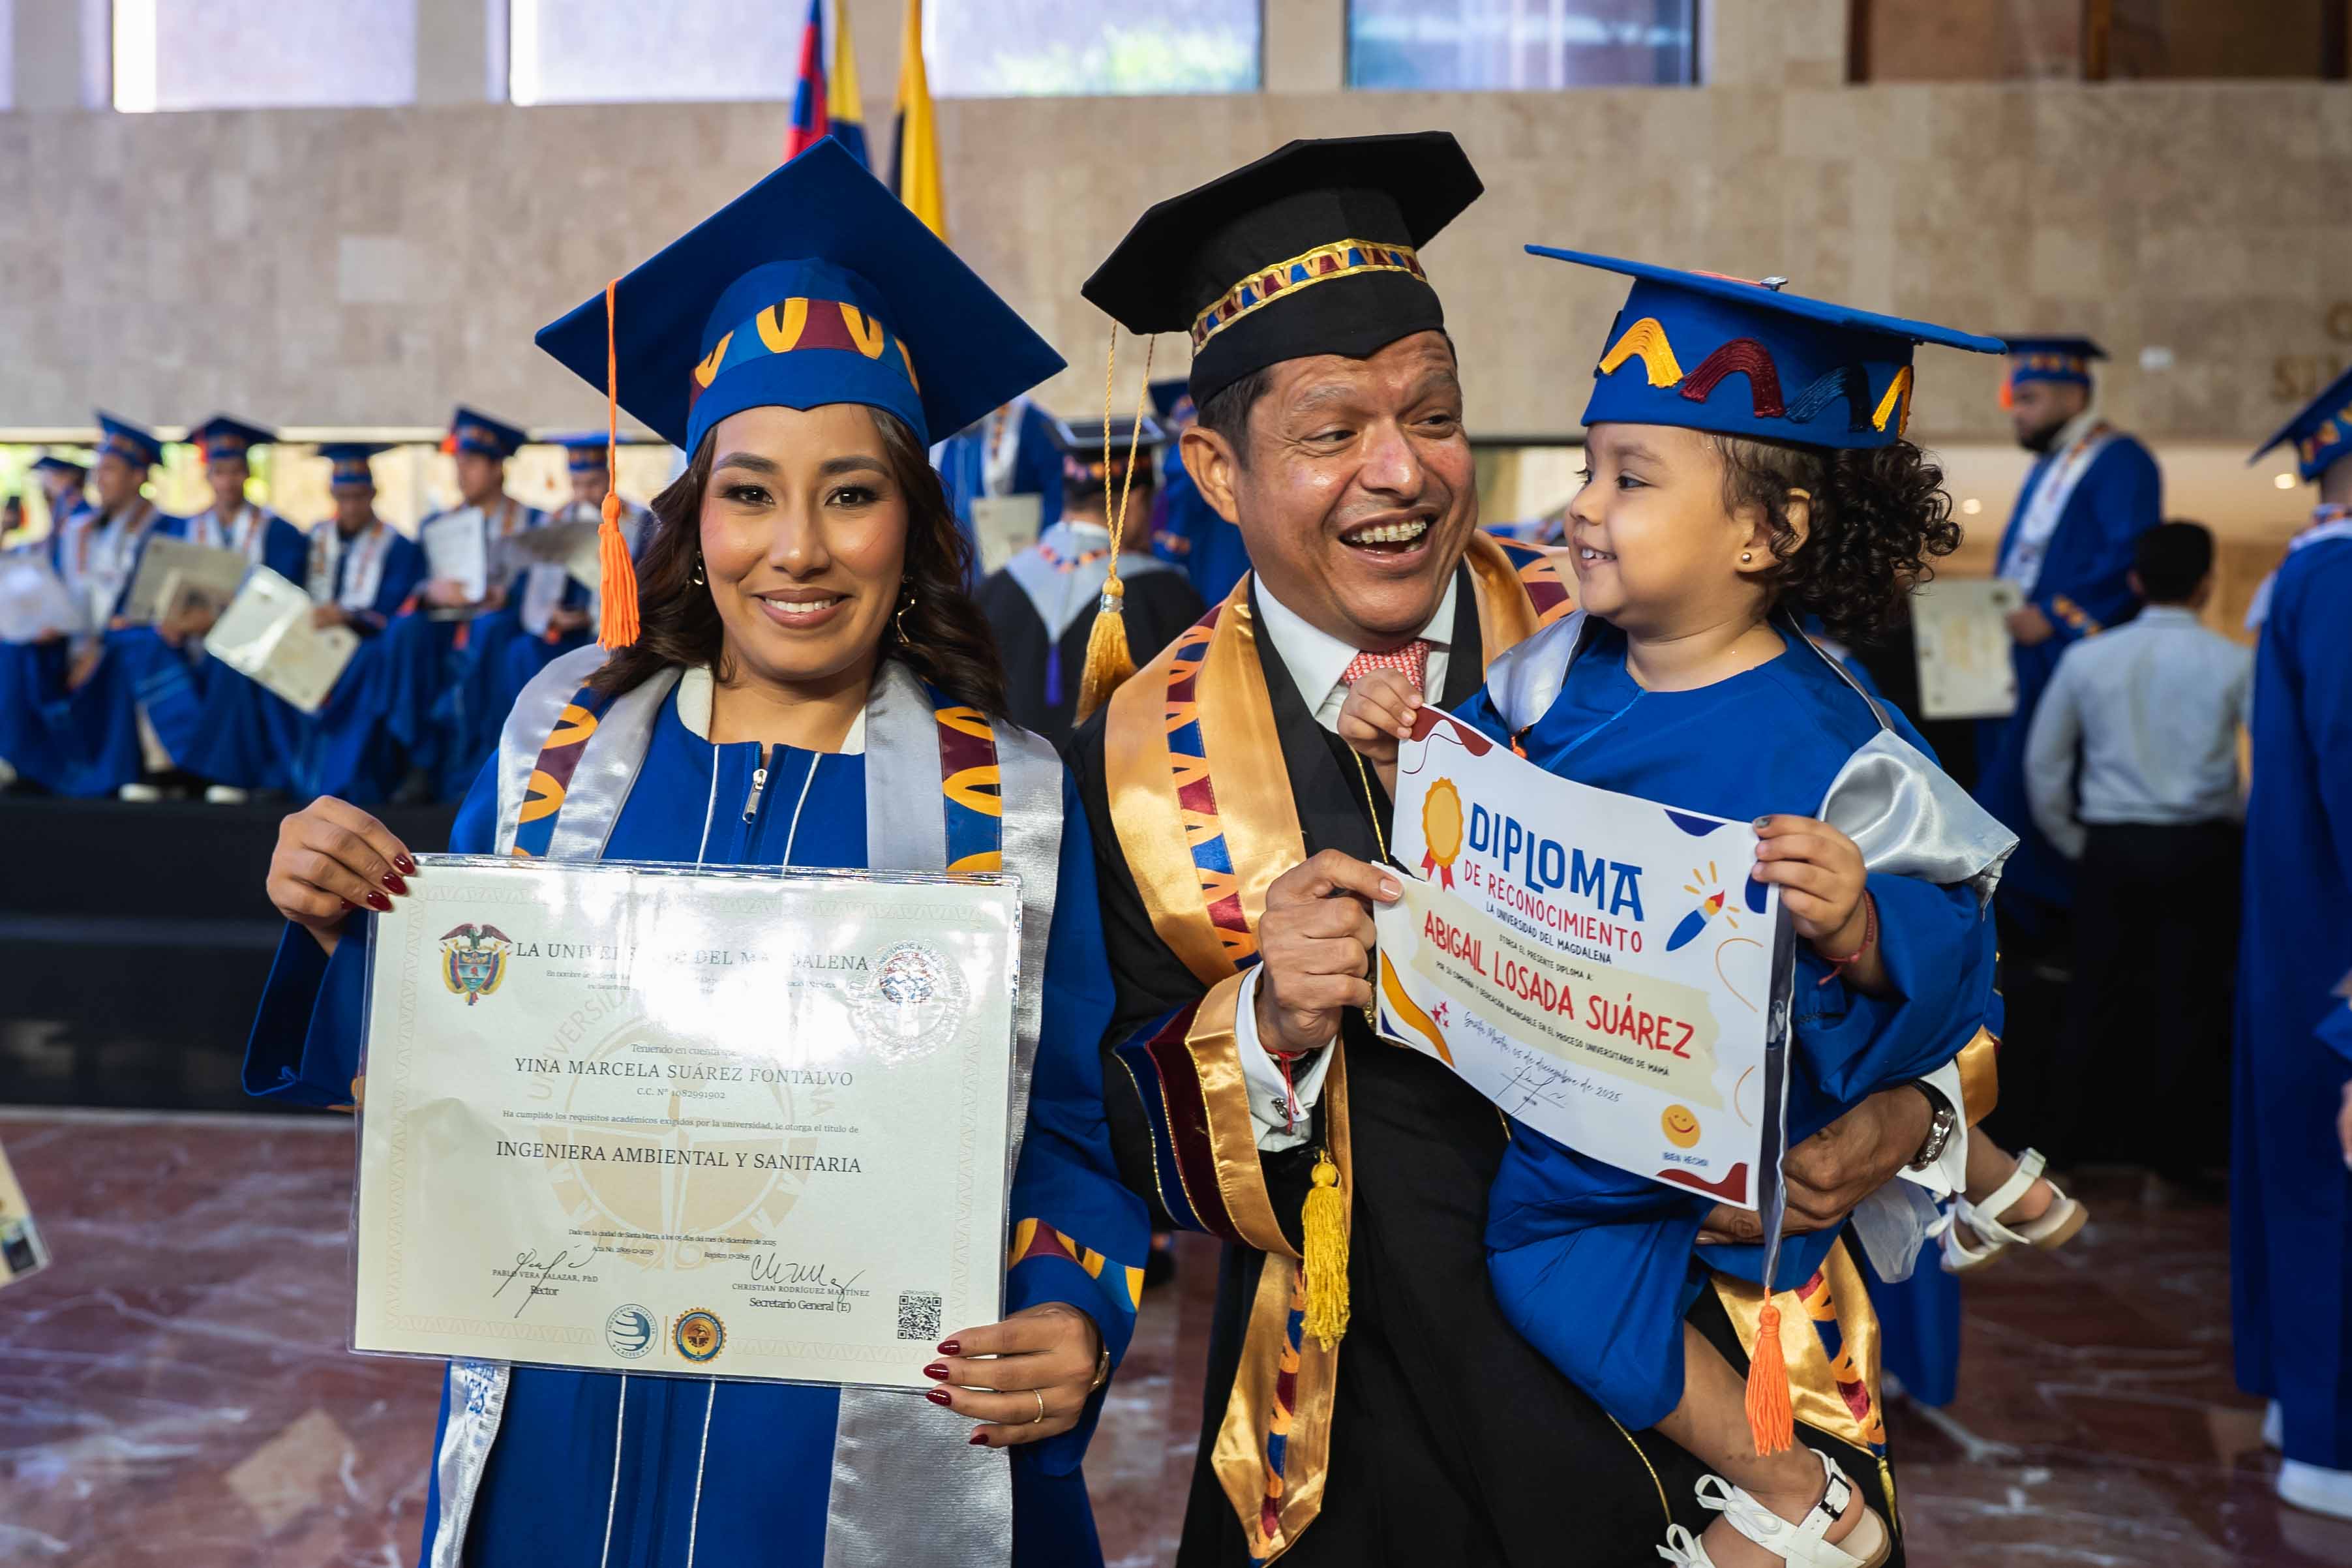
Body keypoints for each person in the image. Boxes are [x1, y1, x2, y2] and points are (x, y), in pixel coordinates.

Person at [1070, 132, 1969, 1567]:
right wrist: (1269, 1018)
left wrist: (1908, 1123)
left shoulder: (1659, 632)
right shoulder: (1136, 756)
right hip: (1359, 1420)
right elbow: (1114, 1122)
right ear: (1214, 470)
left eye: (1434, 412)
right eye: (1329, 431)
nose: (1402, 471)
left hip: (1715, 1399)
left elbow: (1938, 947)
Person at [246, 143, 1145, 1566]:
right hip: (566, 1414)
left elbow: (1075, 1141)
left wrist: (1069, 1308)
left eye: (850, 493)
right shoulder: (564, 741)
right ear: (694, 511)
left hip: (856, 1449)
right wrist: (341, 916)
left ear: (914, 520)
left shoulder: (1013, 804)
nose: (797, 547)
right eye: (749, 492)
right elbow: (445, 1064)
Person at [1340, 250, 2014, 1568]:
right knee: (1543, 1272)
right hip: (1572, 1095)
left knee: (1567, 1264)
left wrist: (1863, 923)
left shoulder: (1840, 743)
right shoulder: (1557, 675)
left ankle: (1798, 1490)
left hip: (1723, 1134)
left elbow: (1966, 946)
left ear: (1768, 532)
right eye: (1589, 468)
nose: (1583, 508)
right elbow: (1476, 809)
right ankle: (1791, 1489)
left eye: (1630, 479)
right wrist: (1405, 748)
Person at [2023, 520, 2248, 1184]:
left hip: (2112, 847)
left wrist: (2075, 840)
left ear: (2134, 582)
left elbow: (2044, 766)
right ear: (2208, 585)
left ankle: (2062, 1154)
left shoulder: (2088, 658)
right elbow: (2271, 763)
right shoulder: (2236, 661)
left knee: (2093, 996)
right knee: (2193, 1002)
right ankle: (2177, 1163)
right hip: (2205, 847)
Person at [2234, 365, 2352, 1522]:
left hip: (2307, 957)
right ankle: (2329, 1429)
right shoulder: (2346, 579)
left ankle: (2306, 1405)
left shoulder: (2312, 575)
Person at [974, 414, 1201, 746]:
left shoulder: (992, 591)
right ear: (1136, 502)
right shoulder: (1166, 594)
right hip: (1117, 790)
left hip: (1017, 793)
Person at [0, 414, 188, 799]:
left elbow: (160, 604)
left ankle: (137, 771)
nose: (99, 479)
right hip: (75, 641)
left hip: (127, 643)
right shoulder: (77, 530)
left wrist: (97, 644)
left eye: (112, 470)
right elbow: (58, 587)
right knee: (17, 647)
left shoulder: (169, 530)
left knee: (129, 648)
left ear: (139, 476)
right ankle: (26, 762)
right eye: (98, 470)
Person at [377, 406, 547, 801]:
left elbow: (544, 584)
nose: (460, 473)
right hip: (447, 624)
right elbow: (415, 587)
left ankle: (482, 764)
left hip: (502, 626)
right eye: (458, 462)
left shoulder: (533, 522)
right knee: (406, 632)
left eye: (471, 463)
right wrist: (430, 593)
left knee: (491, 630)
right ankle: (419, 760)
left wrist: (511, 594)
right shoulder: (438, 525)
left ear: (498, 468)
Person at [163, 415, 315, 802]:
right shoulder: (182, 530)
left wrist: (217, 618)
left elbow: (283, 599)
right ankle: (164, 769)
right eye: (219, 472)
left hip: (255, 641)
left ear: (247, 473)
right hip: (191, 638)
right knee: (142, 649)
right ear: (207, 476)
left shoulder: (278, 531)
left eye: (235, 471)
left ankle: (230, 773)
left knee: (233, 652)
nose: (228, 481)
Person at [301, 444, 429, 802]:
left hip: (368, 646)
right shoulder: (315, 540)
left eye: (359, 496)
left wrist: (346, 616)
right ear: (332, 494)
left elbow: (394, 609)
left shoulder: (398, 546)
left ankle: (353, 783)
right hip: (313, 641)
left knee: (374, 660)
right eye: (343, 497)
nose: (352, 506)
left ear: (373, 493)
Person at [492, 432, 654, 712]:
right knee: (521, 652)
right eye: (577, 485)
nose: (584, 494)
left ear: (608, 477)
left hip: (610, 630)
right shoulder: (556, 520)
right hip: (562, 629)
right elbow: (538, 589)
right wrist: (550, 617)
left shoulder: (639, 522)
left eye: (592, 484)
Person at [1147, 378, 1252, 605]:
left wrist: (1163, 549)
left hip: (1209, 573)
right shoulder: (1241, 450)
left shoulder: (1184, 460)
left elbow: (1175, 537)